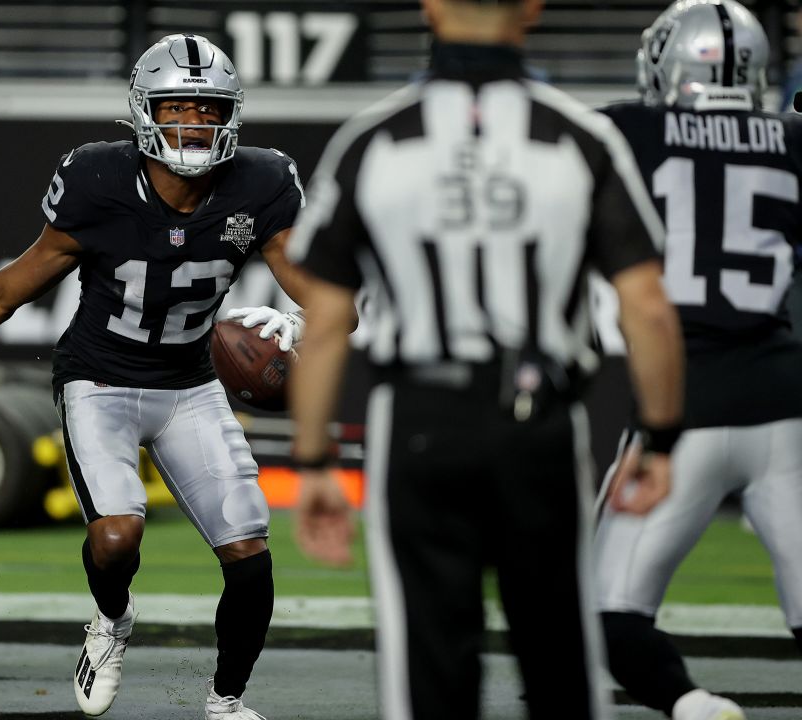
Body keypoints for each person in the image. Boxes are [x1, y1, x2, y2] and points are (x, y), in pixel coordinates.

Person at [0, 34, 317, 720]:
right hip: (99, 382)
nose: (194, 123)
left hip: (190, 385)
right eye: (177, 108)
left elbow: (318, 285)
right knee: (115, 537)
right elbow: (2, 293)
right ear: (144, 113)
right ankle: (111, 623)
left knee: (250, 551)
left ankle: (225, 702)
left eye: (207, 108)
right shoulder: (96, 180)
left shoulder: (263, 181)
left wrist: (321, 319)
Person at [284, 0, 686, 718]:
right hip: (539, 420)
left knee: (431, 667)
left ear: (429, 7)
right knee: (560, 655)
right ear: (531, 8)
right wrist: (658, 437)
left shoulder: (373, 138)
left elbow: (325, 320)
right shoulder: (580, 135)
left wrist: (312, 461)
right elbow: (647, 305)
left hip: (418, 420)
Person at [594, 2, 802, 717]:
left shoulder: (623, 128)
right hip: (787, 403)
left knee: (609, 616)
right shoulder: (791, 138)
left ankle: (689, 704)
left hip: (679, 406)